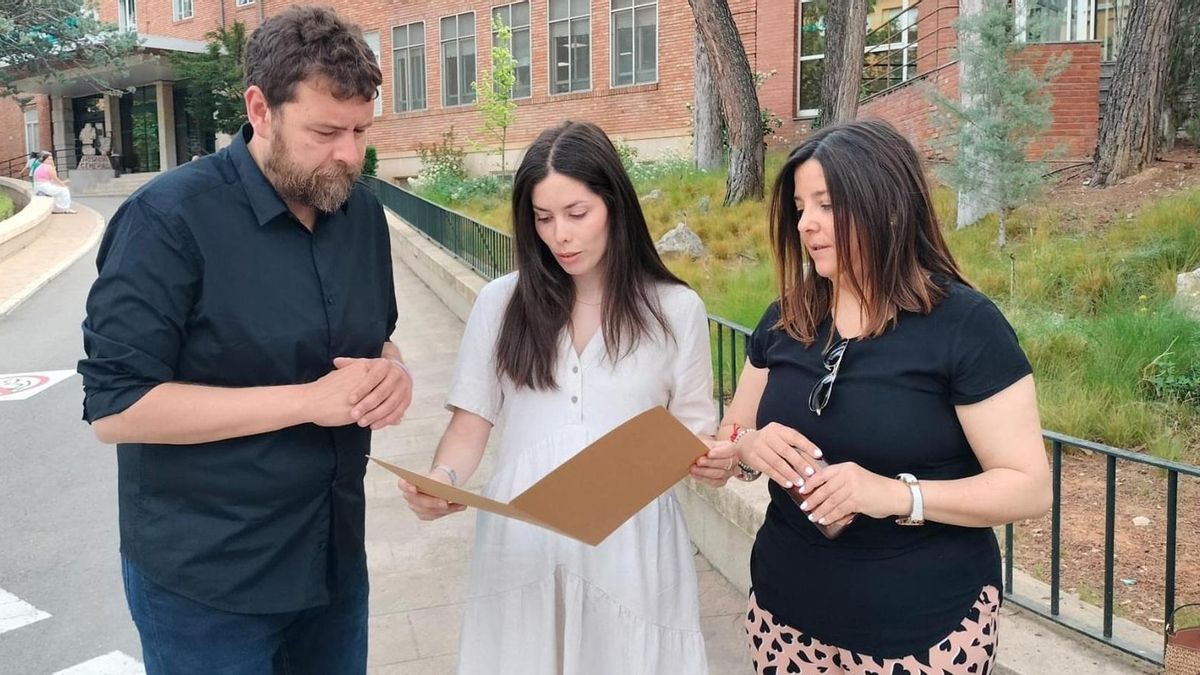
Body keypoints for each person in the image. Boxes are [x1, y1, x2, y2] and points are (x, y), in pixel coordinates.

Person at [77, 7, 404, 674]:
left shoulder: (361, 212)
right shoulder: (166, 220)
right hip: (208, 586)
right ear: (260, 109)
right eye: (325, 132)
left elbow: (380, 340)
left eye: (361, 131)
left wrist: (391, 373)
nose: (350, 154)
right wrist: (307, 401)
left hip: (334, 560)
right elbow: (117, 407)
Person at [399, 120, 738, 675]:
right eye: (543, 218)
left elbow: (694, 436)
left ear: (615, 205)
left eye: (577, 213)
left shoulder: (676, 310)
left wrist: (716, 461)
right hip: (521, 541)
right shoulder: (500, 303)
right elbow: (469, 425)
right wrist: (442, 480)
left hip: (630, 544)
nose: (560, 236)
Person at [720, 120, 1052, 674]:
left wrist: (895, 495)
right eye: (800, 207)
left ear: (889, 207)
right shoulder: (785, 318)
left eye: (827, 205)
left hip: (923, 632)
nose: (806, 224)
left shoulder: (965, 326)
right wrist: (747, 447)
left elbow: (1029, 488)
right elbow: (731, 433)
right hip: (784, 615)